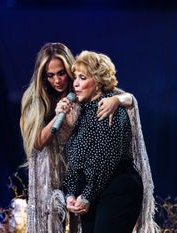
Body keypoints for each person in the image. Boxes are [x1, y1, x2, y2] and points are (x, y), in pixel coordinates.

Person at [20, 43, 133, 233]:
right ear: (43, 76)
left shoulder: (85, 94)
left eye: (61, 73)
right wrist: (58, 116)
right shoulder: (34, 100)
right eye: (50, 75)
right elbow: (37, 142)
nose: (57, 80)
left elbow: (127, 98)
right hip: (50, 175)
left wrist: (117, 100)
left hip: (84, 176)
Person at [62, 51, 159, 233]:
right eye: (75, 77)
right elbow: (74, 161)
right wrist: (70, 194)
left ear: (98, 82)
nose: (75, 83)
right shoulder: (83, 114)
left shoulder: (109, 109)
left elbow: (106, 157)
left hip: (118, 188)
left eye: (82, 78)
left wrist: (87, 195)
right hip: (93, 193)